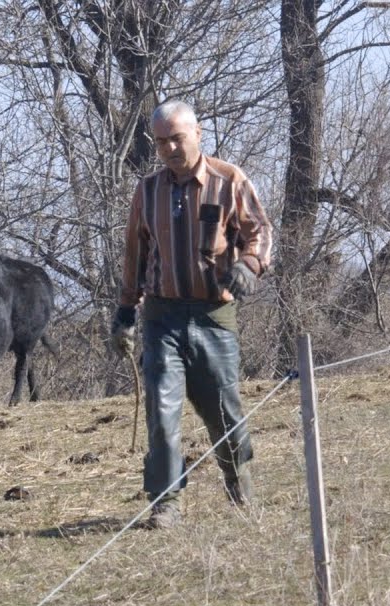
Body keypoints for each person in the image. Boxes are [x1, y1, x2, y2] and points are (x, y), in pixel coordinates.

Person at [111, 100, 273, 530]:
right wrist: (125, 311)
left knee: (223, 410)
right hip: (162, 317)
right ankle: (166, 503)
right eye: (160, 142)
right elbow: (135, 253)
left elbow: (258, 229)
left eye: (176, 139)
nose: (168, 149)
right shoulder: (147, 191)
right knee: (162, 412)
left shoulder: (228, 179)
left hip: (213, 316)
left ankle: (241, 486)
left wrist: (249, 264)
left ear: (197, 133)